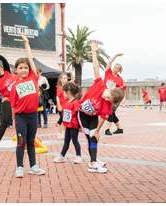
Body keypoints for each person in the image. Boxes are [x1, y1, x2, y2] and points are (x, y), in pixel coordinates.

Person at [78, 41, 124, 173]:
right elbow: (96, 67)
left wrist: (98, 130)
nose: (106, 98)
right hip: (82, 115)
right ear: (109, 89)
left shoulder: (108, 104)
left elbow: (103, 117)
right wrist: (93, 51)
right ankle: (93, 162)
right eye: (108, 96)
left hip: (92, 118)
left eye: (109, 100)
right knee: (91, 138)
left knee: (94, 137)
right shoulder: (100, 84)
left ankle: (94, 161)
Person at [10, 34, 45, 178]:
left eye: (25, 68)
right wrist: (14, 121)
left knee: (31, 142)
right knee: (21, 142)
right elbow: (13, 106)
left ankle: (33, 166)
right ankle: (19, 167)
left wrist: (26, 43)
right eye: (20, 68)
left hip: (33, 116)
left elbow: (30, 59)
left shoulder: (33, 77)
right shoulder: (14, 86)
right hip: (21, 117)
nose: (24, 70)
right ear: (16, 70)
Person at [0, 52, 15, 151]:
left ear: (1, 67)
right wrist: (0, 99)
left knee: (22, 118)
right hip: (7, 100)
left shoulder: (8, 71)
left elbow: (4, 59)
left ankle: (24, 142)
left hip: (17, 98)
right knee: (5, 123)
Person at [53, 82, 83, 164]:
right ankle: (62, 156)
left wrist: (80, 127)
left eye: (64, 92)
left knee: (75, 141)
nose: (63, 94)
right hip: (68, 126)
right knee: (66, 141)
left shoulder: (75, 103)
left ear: (68, 93)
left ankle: (79, 156)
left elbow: (79, 115)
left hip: (74, 126)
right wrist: (59, 122)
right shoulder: (67, 103)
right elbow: (63, 114)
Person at [103, 53, 126, 136]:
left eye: (117, 68)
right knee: (112, 113)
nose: (115, 68)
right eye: (114, 67)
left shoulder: (120, 80)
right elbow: (109, 62)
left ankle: (107, 129)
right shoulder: (108, 73)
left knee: (110, 112)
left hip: (114, 99)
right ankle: (120, 129)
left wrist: (123, 101)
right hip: (106, 96)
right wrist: (115, 55)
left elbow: (122, 91)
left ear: (119, 70)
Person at [56, 72, 69, 138]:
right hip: (61, 106)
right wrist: (59, 105)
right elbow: (57, 97)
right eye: (64, 78)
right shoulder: (59, 87)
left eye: (66, 78)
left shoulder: (68, 87)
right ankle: (60, 133)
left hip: (67, 106)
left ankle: (63, 133)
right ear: (60, 79)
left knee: (65, 120)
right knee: (62, 120)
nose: (65, 79)